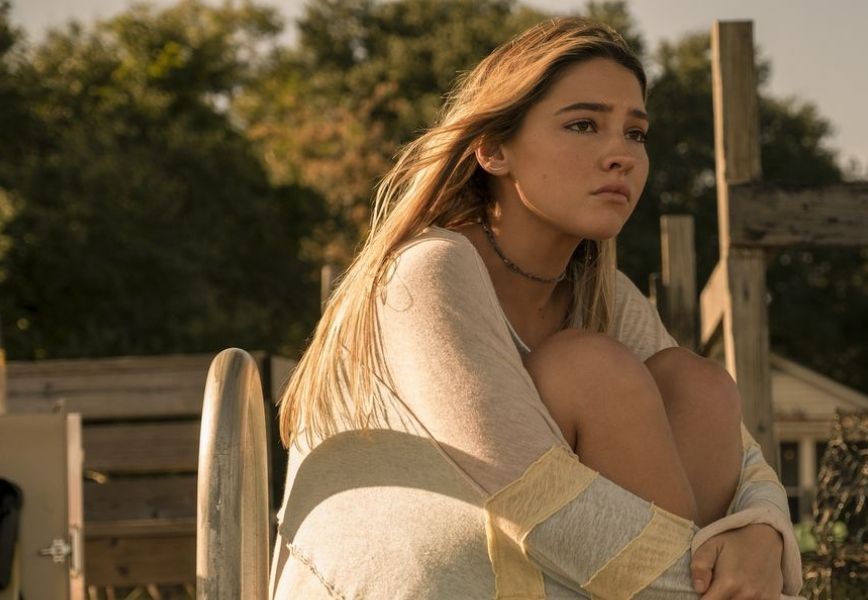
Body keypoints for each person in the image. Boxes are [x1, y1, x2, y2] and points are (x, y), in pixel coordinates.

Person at [270, 17, 803, 599]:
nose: (620, 154)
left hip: (546, 576)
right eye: (583, 125)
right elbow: (530, 496)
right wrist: (721, 588)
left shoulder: (604, 294)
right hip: (424, 579)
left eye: (635, 133)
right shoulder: (428, 270)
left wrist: (762, 533)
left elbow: (740, 451)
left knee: (697, 385)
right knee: (589, 368)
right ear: (494, 150)